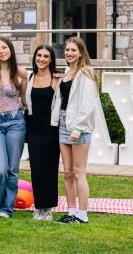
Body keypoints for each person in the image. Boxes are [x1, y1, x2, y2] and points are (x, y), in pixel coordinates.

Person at [52, 37, 98, 224]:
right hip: (64, 123)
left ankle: (82, 215)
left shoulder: (86, 72)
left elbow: (88, 104)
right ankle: (71, 212)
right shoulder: (65, 73)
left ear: (81, 52)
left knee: (79, 172)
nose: (69, 53)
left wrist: (78, 129)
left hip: (79, 126)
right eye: (67, 50)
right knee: (67, 172)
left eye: (73, 50)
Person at [0, 36, 27, 219]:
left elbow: (25, 101)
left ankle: (7, 209)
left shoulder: (21, 72)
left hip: (15, 121)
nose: (2, 51)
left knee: (12, 169)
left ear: (10, 49)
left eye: (5, 48)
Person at [25, 44, 61, 221]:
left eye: (46, 56)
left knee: (50, 169)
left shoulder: (57, 78)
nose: (42, 59)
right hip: (34, 129)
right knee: (36, 169)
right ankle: (38, 208)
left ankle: (48, 209)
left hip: (51, 129)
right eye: (39, 55)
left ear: (51, 59)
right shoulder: (30, 77)